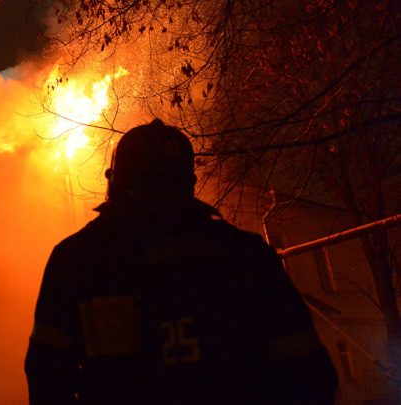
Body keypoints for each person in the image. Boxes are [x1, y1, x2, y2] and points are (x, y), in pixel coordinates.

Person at [25, 119, 338, 404]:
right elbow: (309, 375)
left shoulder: (77, 260)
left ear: (114, 180)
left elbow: (47, 378)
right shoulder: (246, 256)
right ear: (189, 181)